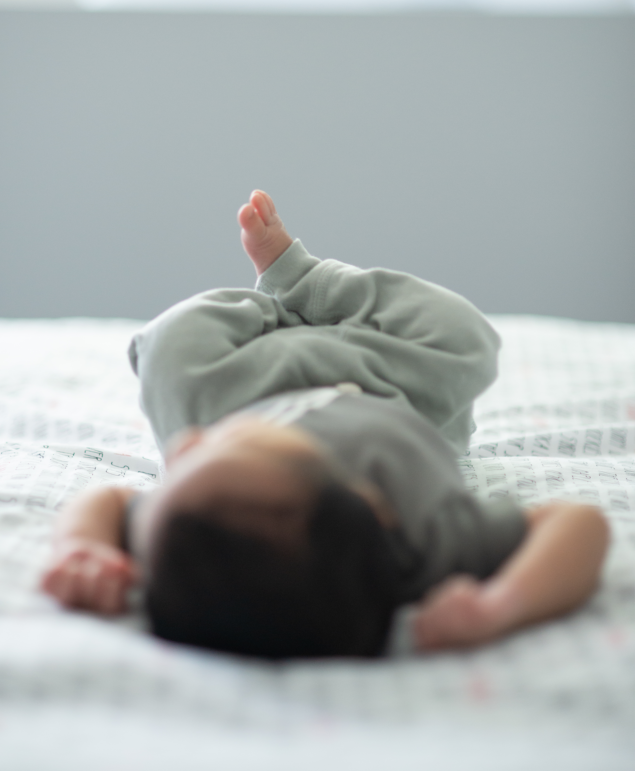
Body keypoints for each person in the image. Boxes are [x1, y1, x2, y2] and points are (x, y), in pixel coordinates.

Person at [41, 191, 609, 658]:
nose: (183, 447)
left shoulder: (185, 539)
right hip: (398, 392)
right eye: (213, 455)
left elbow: (109, 500)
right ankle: (302, 283)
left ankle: (275, 309)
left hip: (239, 398)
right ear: (373, 505)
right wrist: (500, 607)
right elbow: (579, 524)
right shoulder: (427, 540)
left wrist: (82, 549)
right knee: (467, 341)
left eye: (182, 460)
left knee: (169, 352)